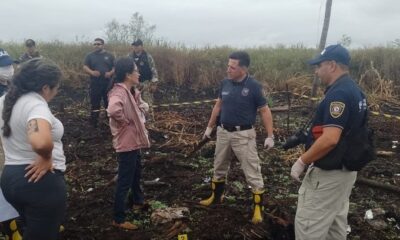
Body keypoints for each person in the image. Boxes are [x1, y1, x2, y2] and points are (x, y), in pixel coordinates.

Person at [290, 44, 367, 240]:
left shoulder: (339, 94)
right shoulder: (355, 91)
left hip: (328, 175)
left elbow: (330, 139)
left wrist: (302, 161)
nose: (316, 71)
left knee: (310, 226)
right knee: (335, 225)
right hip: (344, 173)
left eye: (319, 66)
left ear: (332, 65)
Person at [199, 51, 274, 224]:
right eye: (228, 66)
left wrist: (270, 136)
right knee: (219, 166)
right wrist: (209, 127)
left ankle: (257, 210)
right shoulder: (225, 83)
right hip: (223, 132)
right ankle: (216, 198)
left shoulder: (254, 86)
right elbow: (218, 106)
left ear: (243, 68)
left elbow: (264, 110)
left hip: (244, 135)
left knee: (252, 171)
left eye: (232, 67)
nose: (228, 70)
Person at [0, 58, 67, 239]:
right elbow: (40, 142)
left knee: (34, 230)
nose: (56, 91)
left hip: (11, 179)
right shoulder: (36, 105)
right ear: (45, 87)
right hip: (39, 183)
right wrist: (46, 157)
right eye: (56, 87)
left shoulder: (5, 100)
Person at [107, 57, 150, 230]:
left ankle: (138, 202)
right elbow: (113, 109)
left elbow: (136, 104)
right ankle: (118, 218)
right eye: (135, 71)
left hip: (134, 142)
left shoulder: (130, 90)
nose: (138, 73)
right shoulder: (119, 92)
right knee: (125, 180)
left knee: (136, 173)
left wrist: (142, 107)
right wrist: (126, 122)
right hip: (126, 143)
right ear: (127, 74)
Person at [0, 48, 21, 240]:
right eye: (4, 67)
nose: (9, 70)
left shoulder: (9, 89)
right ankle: (10, 229)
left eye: (10, 65)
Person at [83, 38, 115, 127]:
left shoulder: (110, 55)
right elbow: (85, 67)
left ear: (103, 45)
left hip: (108, 84)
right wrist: (92, 72)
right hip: (95, 83)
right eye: (95, 44)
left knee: (108, 103)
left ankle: (110, 122)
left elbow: (115, 67)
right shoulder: (90, 56)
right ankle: (93, 122)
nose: (96, 46)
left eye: (98, 44)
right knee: (94, 103)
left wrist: (110, 73)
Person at [128, 39, 159, 108]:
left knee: (148, 105)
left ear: (141, 46)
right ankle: (137, 119)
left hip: (146, 84)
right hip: (134, 85)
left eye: (137, 45)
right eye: (134, 46)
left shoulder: (148, 56)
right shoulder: (129, 57)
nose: (135, 47)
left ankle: (149, 119)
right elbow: (127, 71)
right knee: (134, 105)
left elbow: (154, 70)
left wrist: (154, 84)